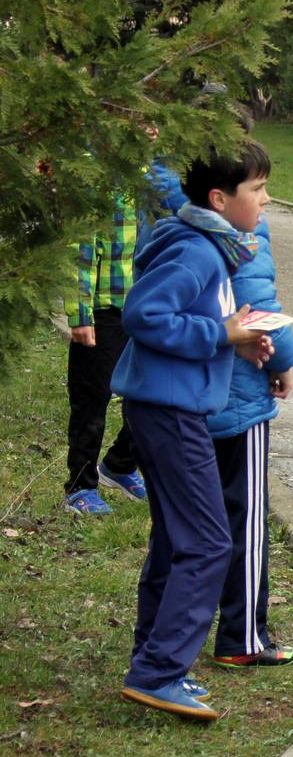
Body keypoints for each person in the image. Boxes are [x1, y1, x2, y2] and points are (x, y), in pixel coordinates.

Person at [112, 142, 275, 720]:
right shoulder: (198, 251)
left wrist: (242, 340)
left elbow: (203, 320)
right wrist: (219, 336)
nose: (265, 199)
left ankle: (150, 661)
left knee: (175, 541)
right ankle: (159, 673)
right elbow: (144, 315)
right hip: (170, 412)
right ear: (219, 199)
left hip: (167, 406)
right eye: (256, 190)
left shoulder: (211, 246)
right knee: (208, 542)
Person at [206, 206, 293, 668]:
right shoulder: (242, 229)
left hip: (186, 396)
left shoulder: (164, 207)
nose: (265, 200)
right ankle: (242, 637)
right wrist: (282, 360)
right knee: (244, 517)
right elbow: (257, 297)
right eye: (260, 188)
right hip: (240, 392)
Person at [62, 190, 147, 515]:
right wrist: (81, 314)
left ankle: (120, 465)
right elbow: (80, 251)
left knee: (148, 390)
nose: (152, 133)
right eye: (143, 131)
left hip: (141, 304)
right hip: (103, 309)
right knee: (92, 399)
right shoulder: (95, 179)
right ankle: (79, 487)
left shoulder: (148, 176)